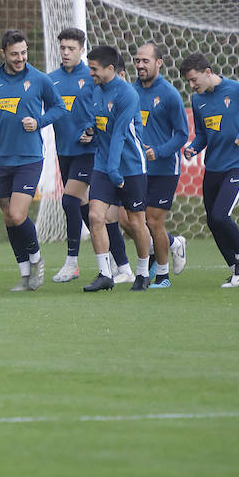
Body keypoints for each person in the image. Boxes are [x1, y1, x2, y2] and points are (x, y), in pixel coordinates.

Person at [0, 29, 67, 292]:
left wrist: (39, 122)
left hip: (30, 157)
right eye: (14, 54)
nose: (20, 58)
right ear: (3, 54)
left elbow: (59, 107)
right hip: (3, 158)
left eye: (24, 52)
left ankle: (36, 258)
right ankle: (25, 275)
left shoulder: (39, 79)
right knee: (9, 218)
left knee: (17, 213)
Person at [179, 51, 239, 288]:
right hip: (212, 165)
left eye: (194, 80)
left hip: (238, 164)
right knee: (212, 220)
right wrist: (193, 148)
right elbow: (203, 134)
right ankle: (235, 271)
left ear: (208, 72)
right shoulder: (197, 100)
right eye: (188, 82)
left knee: (221, 215)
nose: (192, 86)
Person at [81, 45, 156, 292]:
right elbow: (100, 122)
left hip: (130, 167)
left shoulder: (127, 95)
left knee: (135, 223)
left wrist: (115, 171)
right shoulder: (95, 90)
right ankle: (105, 274)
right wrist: (90, 129)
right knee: (95, 216)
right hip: (104, 164)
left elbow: (120, 136)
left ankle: (143, 273)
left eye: (94, 68)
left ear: (110, 69)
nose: (90, 72)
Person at [134, 42, 190, 287]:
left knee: (153, 221)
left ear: (158, 63)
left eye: (145, 61)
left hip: (164, 169)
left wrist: (159, 151)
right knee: (130, 219)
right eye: (137, 60)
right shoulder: (129, 92)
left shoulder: (169, 94)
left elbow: (181, 134)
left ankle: (163, 276)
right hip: (136, 168)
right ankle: (173, 243)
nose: (140, 65)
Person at [47, 27, 96, 283]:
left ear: (82, 50)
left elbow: (107, 111)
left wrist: (94, 131)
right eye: (63, 48)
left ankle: (72, 263)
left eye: (71, 49)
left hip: (88, 151)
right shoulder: (51, 79)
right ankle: (112, 255)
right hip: (63, 151)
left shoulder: (91, 76)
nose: (66, 53)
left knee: (69, 202)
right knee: (94, 211)